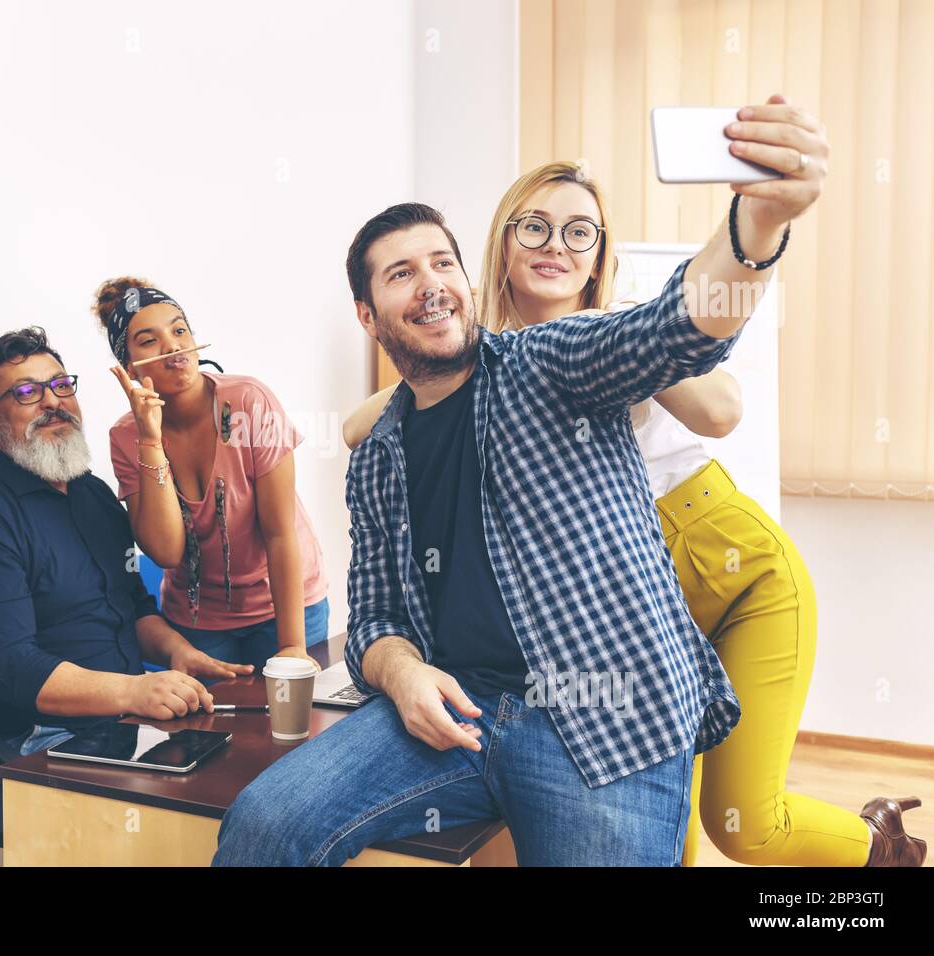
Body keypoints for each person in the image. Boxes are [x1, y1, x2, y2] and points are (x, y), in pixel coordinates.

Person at [213, 97, 829, 867]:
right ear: (370, 317)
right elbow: (372, 618)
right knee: (263, 822)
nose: (431, 284)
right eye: (402, 274)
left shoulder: (550, 360)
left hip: (605, 715)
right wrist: (401, 673)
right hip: (454, 714)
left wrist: (757, 225)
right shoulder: (379, 455)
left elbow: (676, 328)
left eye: (443, 264)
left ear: (469, 283)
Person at [341, 159, 926, 867]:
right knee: (662, 833)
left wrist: (608, 332)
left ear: (599, 255)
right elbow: (358, 428)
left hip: (737, 570)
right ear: (501, 243)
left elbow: (721, 410)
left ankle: (881, 846)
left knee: (744, 825)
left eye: (579, 232)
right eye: (536, 226)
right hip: (635, 605)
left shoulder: (616, 334)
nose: (556, 244)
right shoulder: (480, 355)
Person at [0, 327, 252, 832]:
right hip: (31, 746)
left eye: (61, 386)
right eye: (25, 392)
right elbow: (15, 668)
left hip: (123, 730)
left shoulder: (92, 494)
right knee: (153, 840)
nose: (52, 402)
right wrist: (134, 692)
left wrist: (175, 651)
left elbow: (131, 603)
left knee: (250, 802)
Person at [93, 278, 329, 674]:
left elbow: (279, 532)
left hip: (287, 609)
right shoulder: (127, 436)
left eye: (180, 330)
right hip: (198, 621)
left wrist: (291, 646)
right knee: (211, 734)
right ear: (130, 368)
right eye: (149, 341)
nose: (173, 346)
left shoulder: (248, 402)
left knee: (299, 732)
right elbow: (167, 551)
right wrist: (151, 440)